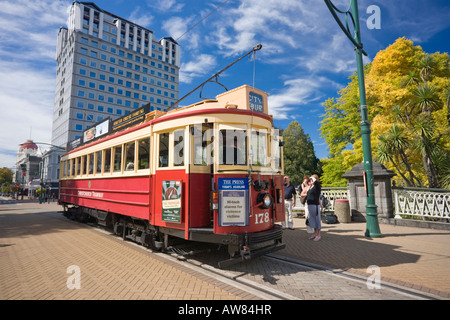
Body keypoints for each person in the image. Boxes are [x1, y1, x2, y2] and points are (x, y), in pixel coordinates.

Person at [306, 174, 322, 241]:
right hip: (310, 205)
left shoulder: (317, 187)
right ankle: (315, 233)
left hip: (315, 205)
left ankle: (318, 234)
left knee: (317, 219)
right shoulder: (311, 187)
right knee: (313, 220)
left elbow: (317, 184)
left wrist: (320, 204)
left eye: (312, 179)